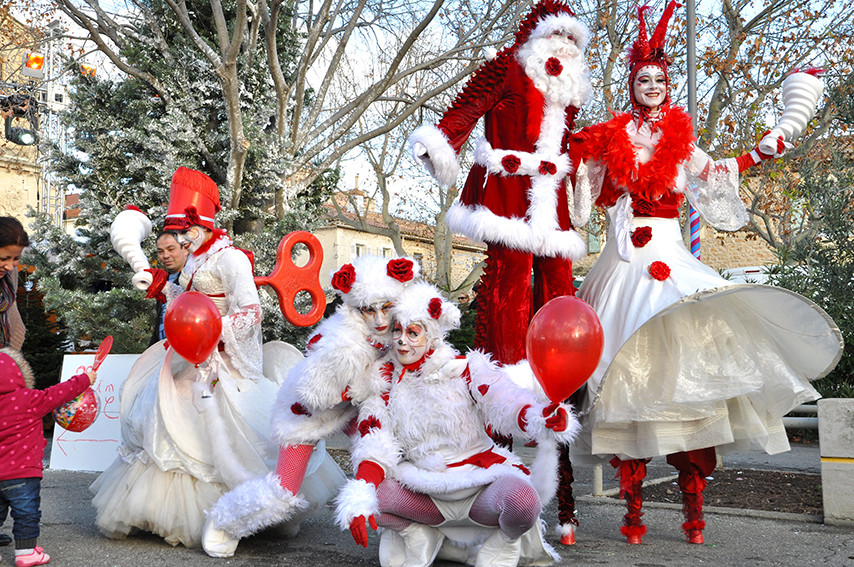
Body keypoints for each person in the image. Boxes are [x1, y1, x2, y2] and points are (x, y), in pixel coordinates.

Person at [568, 1, 844, 545]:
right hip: (624, 263)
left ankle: (693, 513)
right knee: (621, 383)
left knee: (693, 370)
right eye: (643, 79)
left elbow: (716, 174)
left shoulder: (681, 141)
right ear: (631, 84)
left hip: (670, 256)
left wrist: (767, 146)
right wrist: (571, 152)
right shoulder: (609, 135)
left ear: (667, 86)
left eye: (659, 79)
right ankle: (632, 513)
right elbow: (576, 182)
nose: (652, 86)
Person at [408, 0, 594, 544]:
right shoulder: (506, 67)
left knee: (562, 321)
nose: (563, 46)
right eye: (557, 35)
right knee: (507, 318)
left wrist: (586, 172)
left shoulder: (569, 85)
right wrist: (442, 141)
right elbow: (466, 107)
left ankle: (563, 493)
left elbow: (573, 146)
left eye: (572, 39)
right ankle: (499, 472)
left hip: (553, 213)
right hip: (511, 203)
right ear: (537, 35)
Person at [90, 167, 342, 548]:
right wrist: (163, 288)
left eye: (183, 232)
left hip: (222, 361)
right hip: (190, 357)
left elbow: (251, 312)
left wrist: (213, 329)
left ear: (201, 227)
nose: (179, 240)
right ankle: (169, 511)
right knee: (168, 421)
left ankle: (237, 514)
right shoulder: (194, 260)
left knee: (227, 432)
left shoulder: (232, 260)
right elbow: (189, 303)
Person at [336, 281, 580, 567]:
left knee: (523, 502)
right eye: (397, 331)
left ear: (431, 335)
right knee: (375, 497)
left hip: (479, 486)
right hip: (424, 493)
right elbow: (374, 439)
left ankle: (504, 542)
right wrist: (361, 494)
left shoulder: (465, 368)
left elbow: (505, 400)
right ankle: (416, 533)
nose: (401, 340)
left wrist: (539, 417)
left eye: (412, 332)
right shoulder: (383, 382)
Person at [201, 254, 419, 557]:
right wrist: (369, 381)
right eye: (369, 310)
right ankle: (224, 520)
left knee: (390, 458)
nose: (380, 320)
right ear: (356, 307)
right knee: (283, 491)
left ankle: (412, 532)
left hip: (362, 408)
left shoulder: (402, 326)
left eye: (387, 308)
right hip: (307, 413)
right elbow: (316, 396)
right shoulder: (340, 343)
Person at [0, 348, 97, 567]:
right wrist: (85, 379)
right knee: (26, 512)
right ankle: (26, 552)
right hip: (23, 472)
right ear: (19, 375)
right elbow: (59, 393)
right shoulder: (28, 400)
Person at [149, 230, 189, 345]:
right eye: (160, 251)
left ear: (185, 249)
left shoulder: (192, 279)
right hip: (164, 349)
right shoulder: (162, 280)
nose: (166, 256)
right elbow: (160, 322)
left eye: (171, 249)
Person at [0, 217, 27, 351]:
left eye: (16, 258)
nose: (10, 266)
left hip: (10, 348)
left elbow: (11, 307)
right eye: (4, 259)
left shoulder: (11, 274)